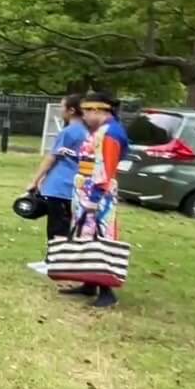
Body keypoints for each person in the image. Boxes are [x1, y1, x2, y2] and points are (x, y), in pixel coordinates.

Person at [65, 91, 125, 308]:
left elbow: (105, 169)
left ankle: (106, 291)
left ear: (98, 110)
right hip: (87, 187)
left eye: (86, 112)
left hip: (97, 191)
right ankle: (89, 282)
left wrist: (94, 198)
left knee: (98, 236)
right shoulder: (101, 131)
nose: (84, 117)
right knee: (85, 236)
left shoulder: (110, 134)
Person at [28, 94, 87, 243]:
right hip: (78, 186)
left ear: (71, 110)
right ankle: (63, 260)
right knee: (70, 226)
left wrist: (35, 181)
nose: (61, 110)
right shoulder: (90, 132)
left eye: (62, 107)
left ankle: (53, 261)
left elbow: (52, 157)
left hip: (60, 187)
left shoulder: (69, 132)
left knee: (57, 227)